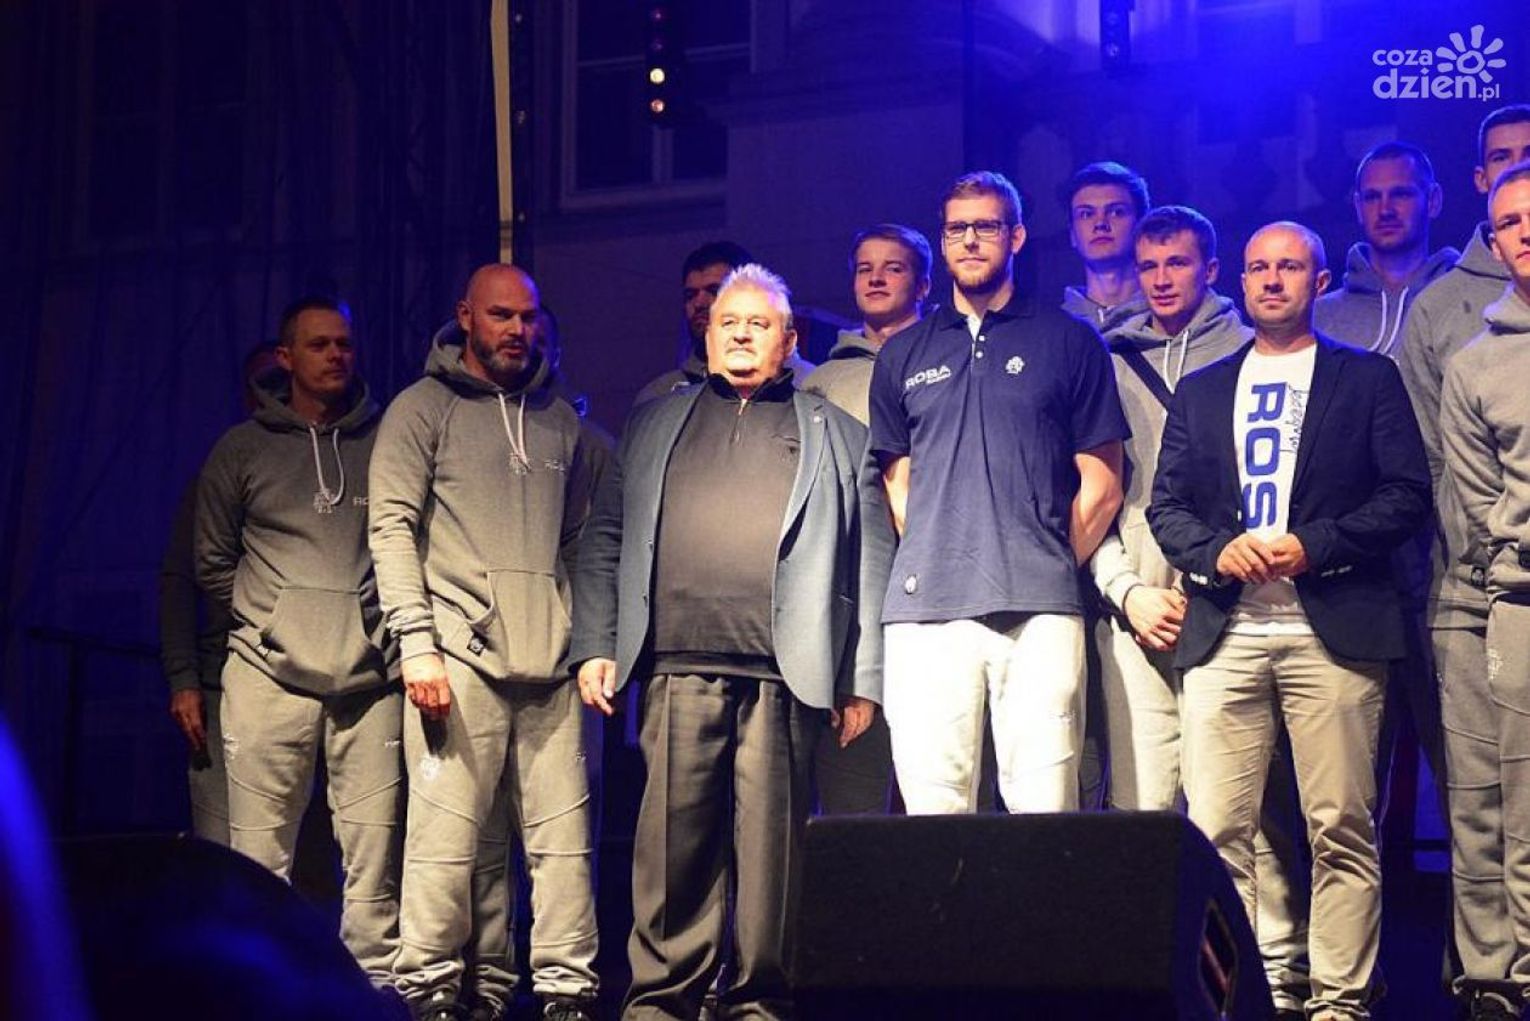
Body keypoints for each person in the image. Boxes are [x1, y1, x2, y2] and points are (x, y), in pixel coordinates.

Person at [571, 263, 893, 1020]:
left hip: (786, 674)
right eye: (729, 322)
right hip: (676, 665)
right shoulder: (654, 422)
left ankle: (759, 1002)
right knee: (670, 849)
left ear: (790, 340)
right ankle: (662, 1000)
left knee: (773, 856)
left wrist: (862, 675)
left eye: (759, 323)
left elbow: (871, 558)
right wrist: (597, 642)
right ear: (708, 335)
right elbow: (604, 536)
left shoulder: (839, 435)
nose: (742, 335)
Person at [1148, 221, 1431, 1020]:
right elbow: (1166, 508)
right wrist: (1216, 552)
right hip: (1225, 632)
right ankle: (1239, 997)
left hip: (1334, 631)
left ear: (1318, 281)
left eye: (1290, 267)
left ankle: (1339, 1001)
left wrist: (1316, 545)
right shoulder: (1202, 388)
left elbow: (1407, 495)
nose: (1272, 280)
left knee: (1341, 826)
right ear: (1240, 281)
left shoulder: (1366, 378)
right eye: (1259, 268)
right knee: (1215, 834)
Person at [1094, 204, 1310, 1011]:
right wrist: (1126, 589)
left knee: (1251, 802)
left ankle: (1275, 969)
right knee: (1143, 801)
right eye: (1149, 266)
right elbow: (1091, 490)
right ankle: (1148, 971)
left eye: (1177, 263)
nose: (1160, 279)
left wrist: (1212, 577)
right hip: (1138, 598)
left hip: (1231, 596)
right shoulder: (1109, 359)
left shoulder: (1249, 352)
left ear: (1210, 269)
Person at [369, 265, 599, 1021]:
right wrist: (417, 644)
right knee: (442, 838)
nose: (517, 330)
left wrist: (583, 636)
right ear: (466, 315)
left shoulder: (560, 418)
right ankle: (429, 986)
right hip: (456, 656)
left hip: (551, 661)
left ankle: (567, 989)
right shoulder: (420, 408)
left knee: (563, 843)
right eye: (501, 315)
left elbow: (583, 538)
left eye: (528, 317)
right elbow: (390, 528)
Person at [869, 170, 1128, 815]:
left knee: (1043, 816)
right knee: (932, 819)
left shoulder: (1069, 341)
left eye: (986, 226)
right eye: (957, 228)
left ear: (1015, 236)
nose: (970, 240)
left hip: (1040, 610)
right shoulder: (902, 354)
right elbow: (898, 484)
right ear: (942, 241)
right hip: (925, 613)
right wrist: (945, 552)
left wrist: (1044, 558)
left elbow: (1102, 481)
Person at [194, 296, 402, 986]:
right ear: (286, 358)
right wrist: (273, 619)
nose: (336, 355)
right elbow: (211, 561)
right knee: (259, 857)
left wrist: (367, 625)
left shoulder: (386, 438)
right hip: (267, 676)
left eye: (344, 343)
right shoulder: (241, 448)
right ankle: (260, 989)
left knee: (373, 858)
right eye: (319, 344)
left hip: (369, 680)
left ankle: (372, 991)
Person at [1398, 103, 1530, 1021]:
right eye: (1509, 218)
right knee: (1483, 804)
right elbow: (1457, 483)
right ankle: (1494, 979)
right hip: (1487, 594)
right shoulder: (1463, 339)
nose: (1523, 232)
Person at [1441, 160, 1530, 1021]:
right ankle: (1513, 984)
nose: (1525, 231)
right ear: (1493, 242)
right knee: (1517, 814)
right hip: (1523, 608)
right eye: (1508, 221)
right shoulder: (1475, 365)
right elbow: (1478, 505)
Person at [802, 223, 930, 814]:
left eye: (893, 267)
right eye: (864, 268)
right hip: (854, 587)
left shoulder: (948, 361)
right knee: (853, 788)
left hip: (936, 584)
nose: (876, 278)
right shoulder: (822, 383)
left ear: (923, 284)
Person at [161, 343, 278, 845]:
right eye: (263, 382)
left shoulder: (334, 465)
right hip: (219, 679)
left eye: (281, 381)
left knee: (296, 849)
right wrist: (183, 678)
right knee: (223, 843)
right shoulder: (221, 467)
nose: (272, 393)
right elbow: (179, 579)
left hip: (298, 677)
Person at [1315, 141, 1457, 356]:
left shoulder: (1464, 305)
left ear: (1433, 201)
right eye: (1372, 197)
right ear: (1358, 207)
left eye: (1401, 194)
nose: (1385, 210)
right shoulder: (1318, 318)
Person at [634, 241, 814, 405]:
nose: (699, 303)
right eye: (691, 295)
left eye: (715, 290)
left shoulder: (809, 386)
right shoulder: (659, 397)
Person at [1060, 161, 1151, 331]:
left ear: (1141, 226)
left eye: (1117, 212)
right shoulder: (1054, 326)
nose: (1100, 223)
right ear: (1072, 234)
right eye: (1086, 214)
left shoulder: (1170, 318)